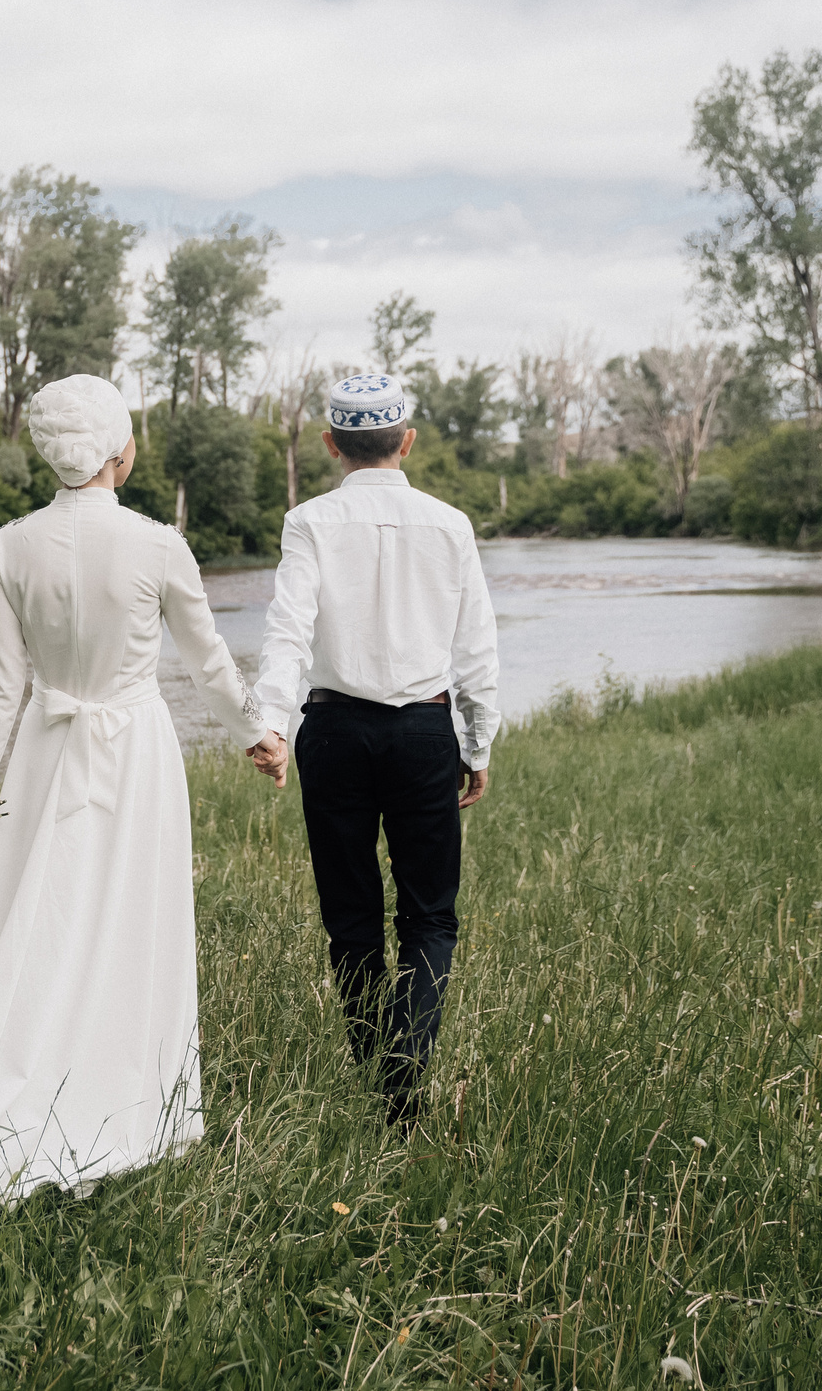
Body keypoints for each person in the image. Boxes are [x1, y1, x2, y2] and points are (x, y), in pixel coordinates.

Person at [0, 373, 287, 1221]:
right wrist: (257, 733)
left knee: (39, 914)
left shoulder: (12, 544)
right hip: (136, 750)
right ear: (120, 450)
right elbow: (208, 661)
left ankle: (23, 1068)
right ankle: (128, 1093)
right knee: (130, 913)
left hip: (48, 747)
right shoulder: (159, 543)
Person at [249, 371, 500, 1121]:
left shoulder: (309, 521)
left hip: (332, 729)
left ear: (331, 444)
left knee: (350, 912)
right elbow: (477, 650)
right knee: (429, 914)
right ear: (408, 440)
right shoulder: (451, 523)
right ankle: (406, 1071)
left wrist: (271, 722)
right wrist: (477, 743)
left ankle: (378, 1067)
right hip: (425, 731)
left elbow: (287, 627)